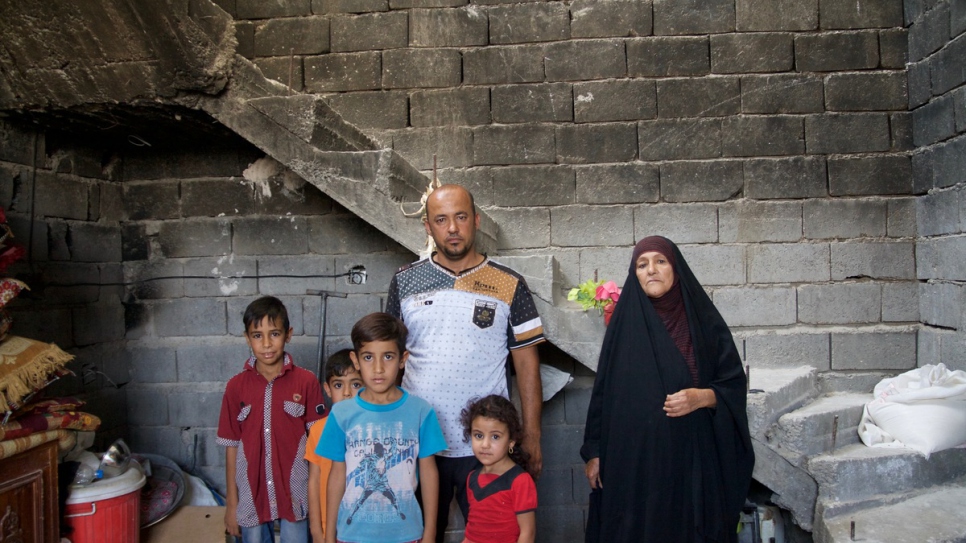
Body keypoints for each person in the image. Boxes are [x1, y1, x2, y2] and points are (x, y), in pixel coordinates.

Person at [386, 184, 545, 543]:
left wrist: (532, 434)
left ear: (475, 220)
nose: (453, 228)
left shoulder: (509, 284)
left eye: (460, 217)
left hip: (486, 447)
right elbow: (388, 361)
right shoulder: (404, 281)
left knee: (496, 536)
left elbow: (527, 363)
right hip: (420, 443)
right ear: (428, 227)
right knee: (419, 536)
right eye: (441, 220)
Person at [581, 236, 754, 543]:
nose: (651, 270)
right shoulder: (624, 326)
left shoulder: (703, 323)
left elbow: (732, 385)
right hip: (633, 464)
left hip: (691, 460)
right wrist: (594, 452)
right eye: (642, 264)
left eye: (660, 261)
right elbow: (603, 392)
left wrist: (701, 397)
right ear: (634, 273)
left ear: (676, 269)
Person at [317, 313, 447, 543]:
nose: (378, 368)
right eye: (368, 357)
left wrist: (430, 533)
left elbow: (428, 473)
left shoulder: (421, 412)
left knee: (393, 499)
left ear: (402, 359)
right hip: (352, 536)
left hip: (407, 535)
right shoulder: (341, 414)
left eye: (387, 356)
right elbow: (336, 475)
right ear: (355, 360)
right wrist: (329, 537)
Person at [217, 296, 325, 543]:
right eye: (257, 336)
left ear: (289, 334)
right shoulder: (236, 387)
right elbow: (232, 447)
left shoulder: (306, 382)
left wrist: (320, 499)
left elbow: (319, 443)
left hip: (295, 490)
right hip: (250, 491)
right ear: (247, 338)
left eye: (274, 334)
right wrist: (232, 503)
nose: (266, 344)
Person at [459, 395, 537, 543]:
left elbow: (528, 533)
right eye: (479, 435)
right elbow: (472, 532)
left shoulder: (520, 481)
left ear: (511, 442)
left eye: (495, 437)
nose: (485, 444)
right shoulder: (472, 478)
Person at [305, 349, 363, 543]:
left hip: (363, 528)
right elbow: (314, 481)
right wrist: (316, 529)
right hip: (328, 527)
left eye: (355, 384)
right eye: (338, 385)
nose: (347, 393)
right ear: (327, 389)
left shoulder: (372, 430)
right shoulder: (318, 430)